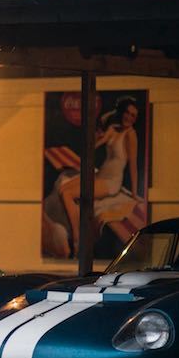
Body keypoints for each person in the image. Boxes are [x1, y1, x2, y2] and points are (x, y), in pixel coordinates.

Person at [55, 96, 141, 257]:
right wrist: (98, 137)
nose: (128, 117)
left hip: (111, 182)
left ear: (135, 119)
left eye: (133, 115)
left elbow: (133, 165)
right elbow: (94, 147)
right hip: (100, 174)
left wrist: (135, 193)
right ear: (122, 112)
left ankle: (77, 239)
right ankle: (77, 234)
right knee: (62, 189)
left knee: (67, 194)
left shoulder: (131, 135)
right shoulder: (114, 129)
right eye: (127, 113)